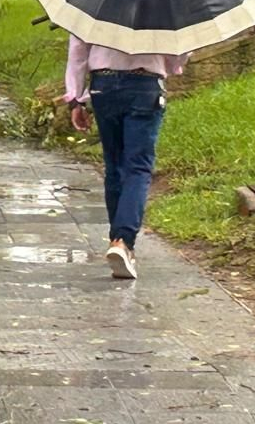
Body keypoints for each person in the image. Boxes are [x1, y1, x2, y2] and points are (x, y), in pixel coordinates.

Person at [65, 37, 188, 280]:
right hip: (145, 85)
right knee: (138, 167)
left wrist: (75, 99)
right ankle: (123, 241)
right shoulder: (164, 12)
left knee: (114, 166)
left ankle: (117, 241)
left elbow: (78, 49)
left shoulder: (96, 11)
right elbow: (178, 51)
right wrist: (174, 63)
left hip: (104, 85)